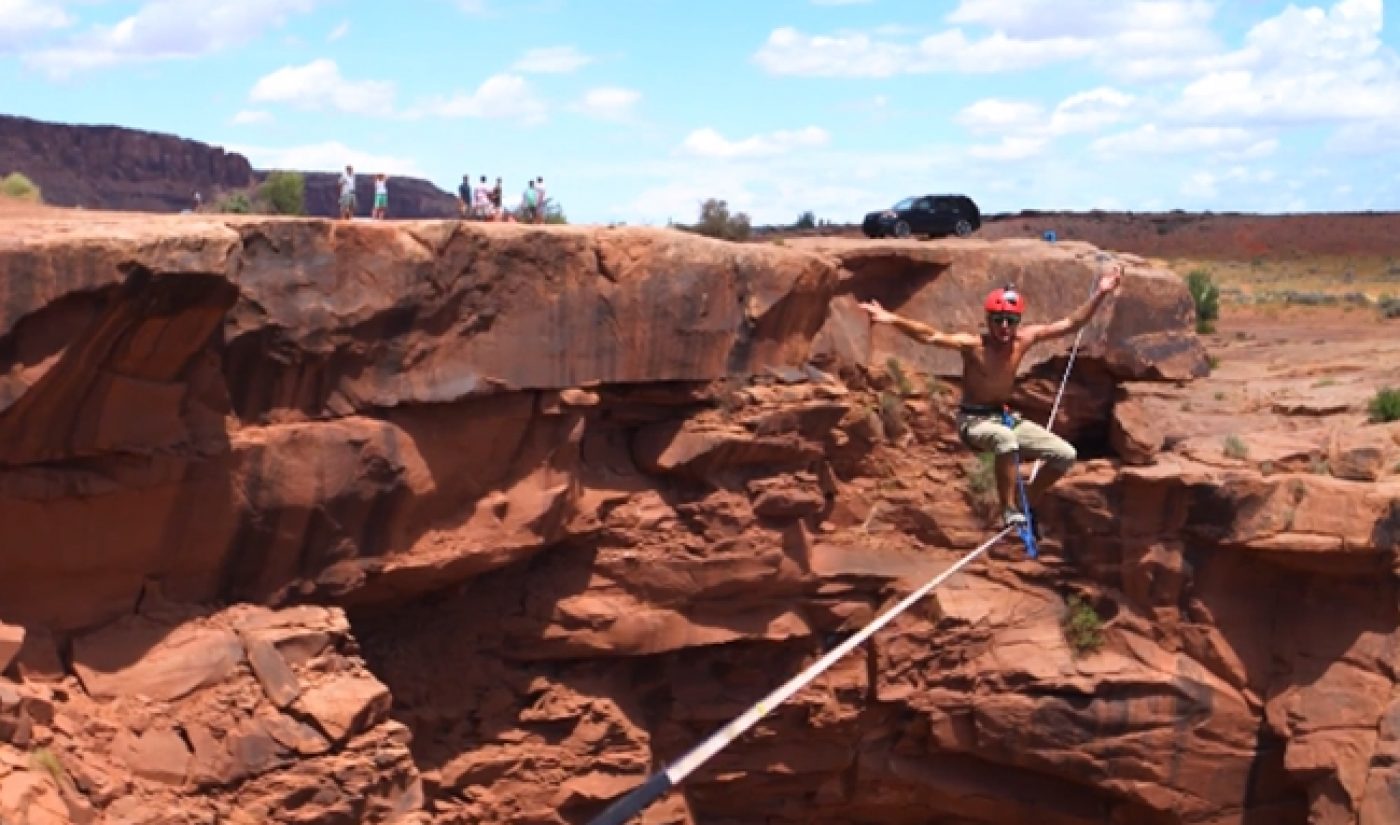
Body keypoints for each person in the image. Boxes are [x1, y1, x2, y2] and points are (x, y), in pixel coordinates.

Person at [859, 264, 1123, 529]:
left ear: (1018, 321)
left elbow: (1071, 323)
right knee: (1005, 440)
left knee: (1065, 454)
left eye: (1010, 320)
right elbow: (930, 336)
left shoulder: (1025, 339)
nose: (1004, 326)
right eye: (998, 320)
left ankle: (1026, 500)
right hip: (973, 422)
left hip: (1004, 418)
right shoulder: (974, 345)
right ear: (988, 320)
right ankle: (1007, 509)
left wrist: (1100, 292)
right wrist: (892, 319)